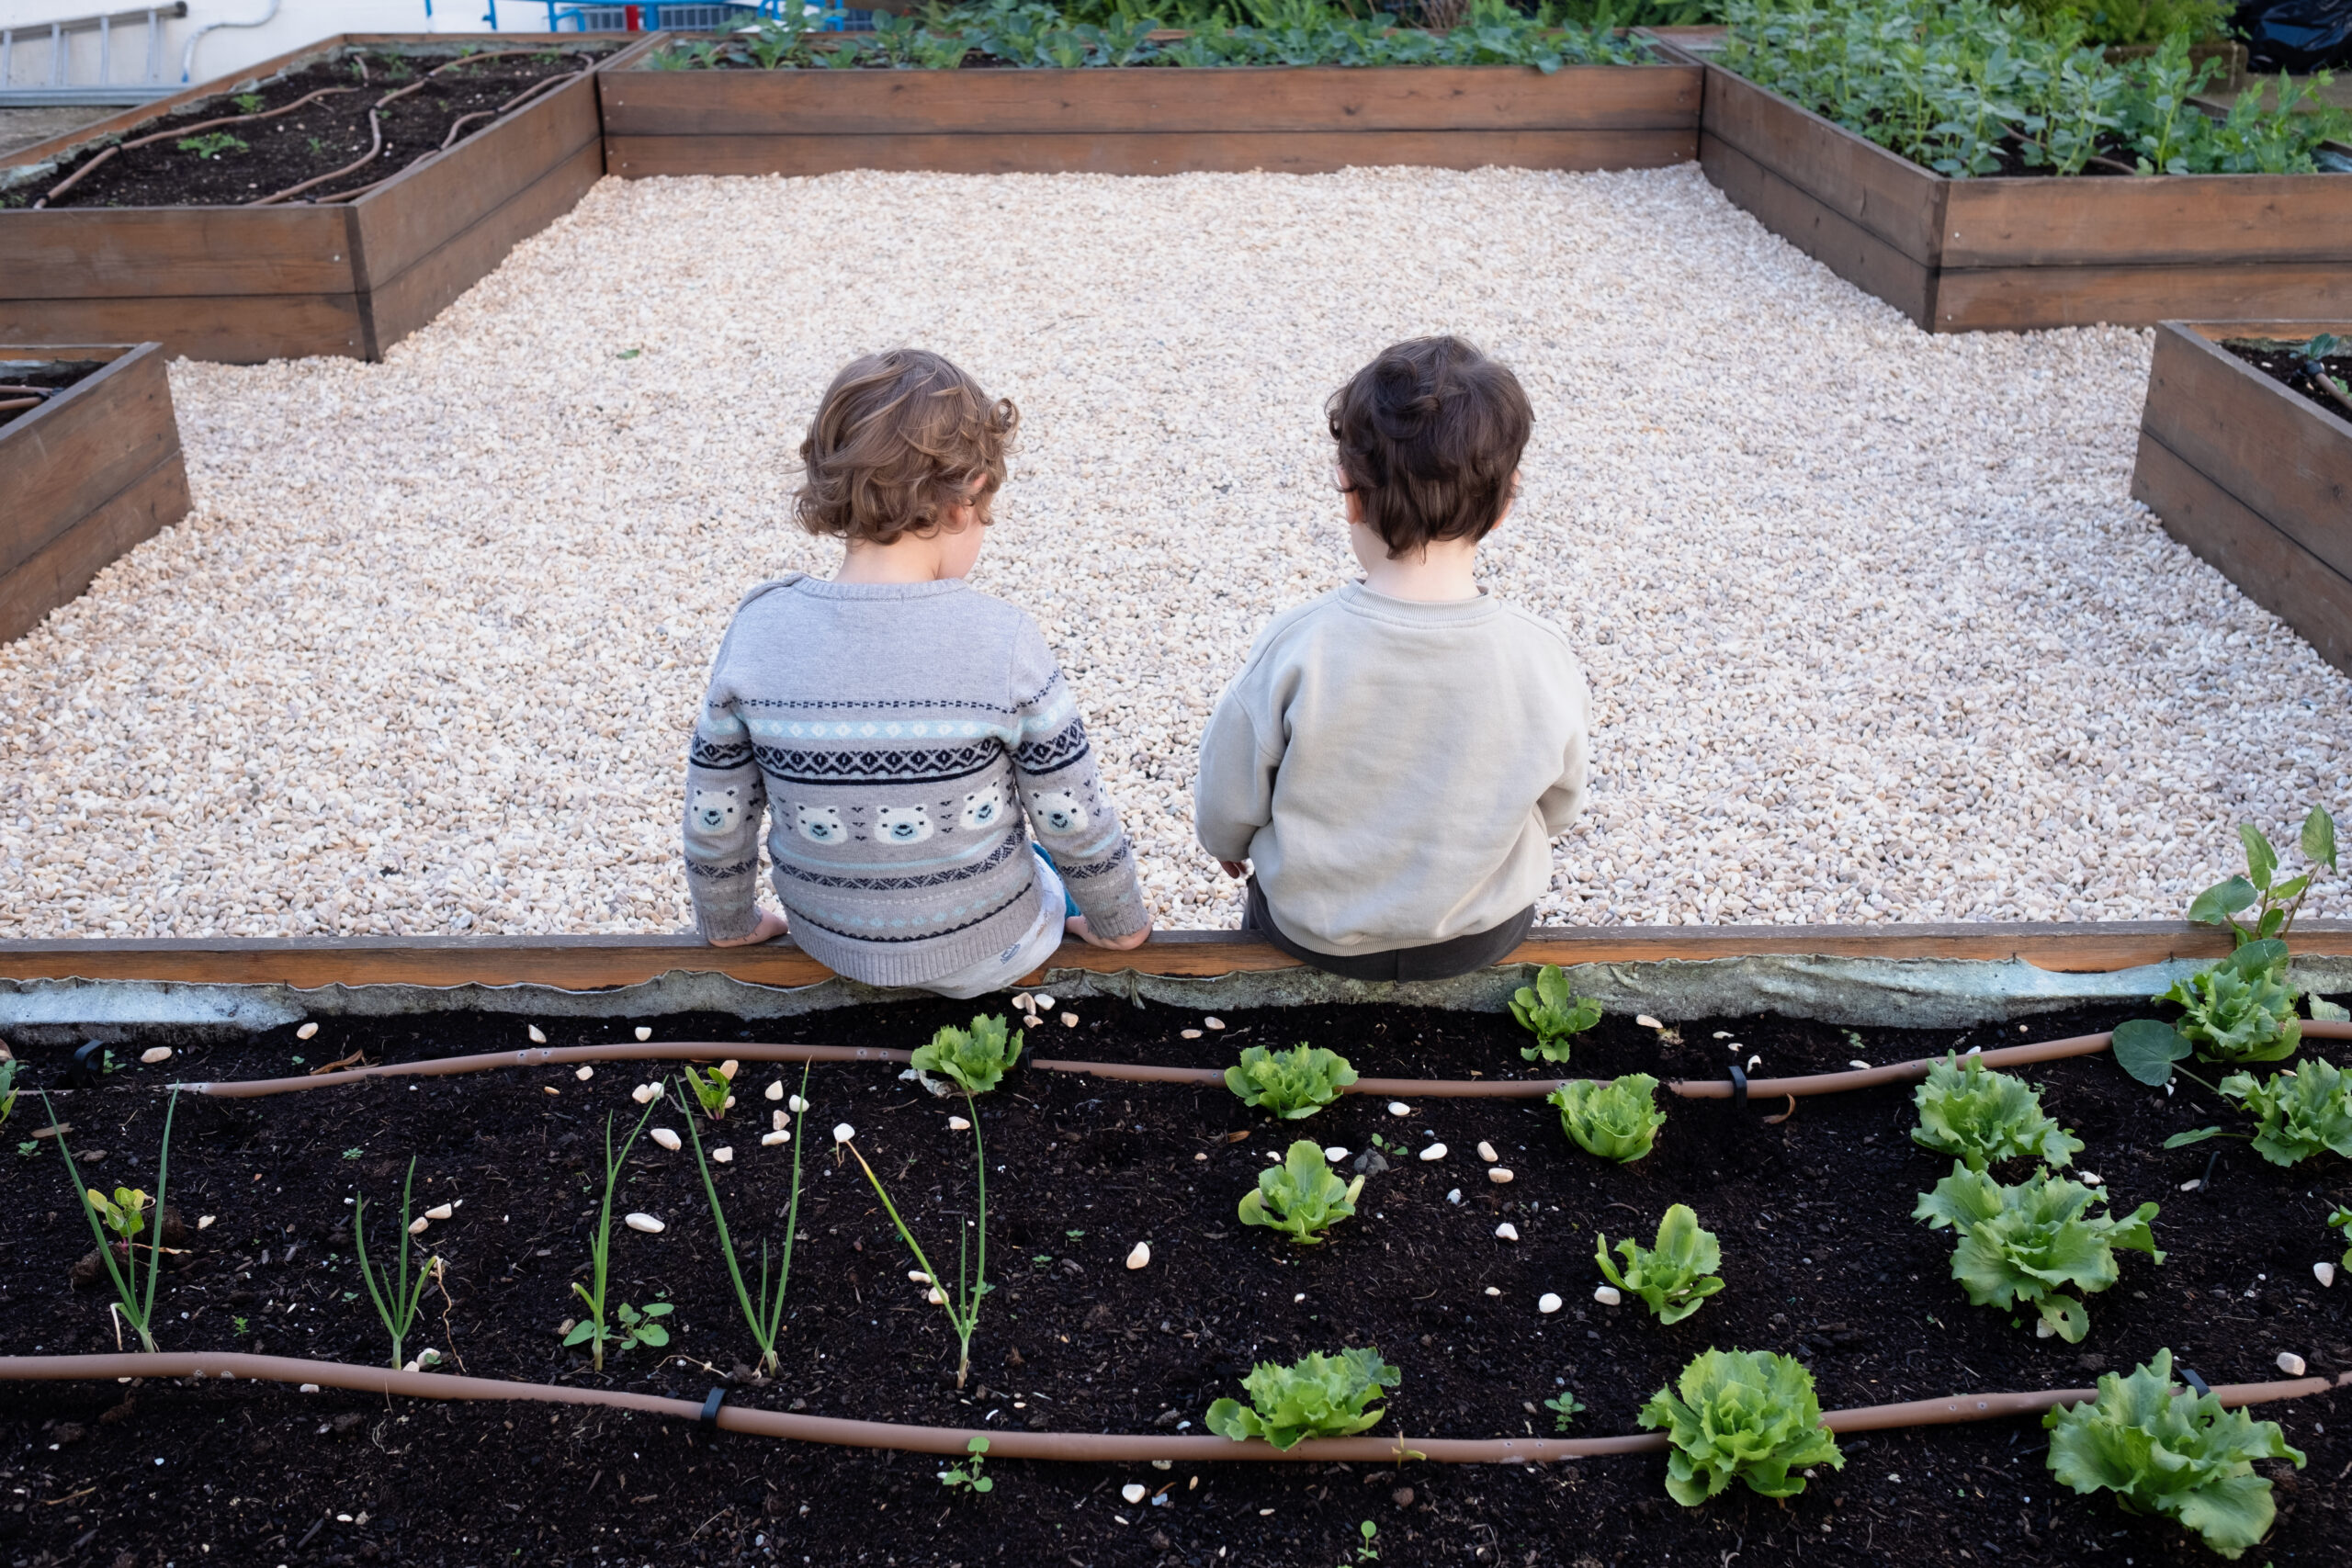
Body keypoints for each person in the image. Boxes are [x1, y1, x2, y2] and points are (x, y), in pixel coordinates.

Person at [682, 348, 1150, 997]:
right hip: (992, 949)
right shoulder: (1003, 638)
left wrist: (727, 924)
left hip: (830, 940)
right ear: (967, 501)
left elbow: (717, 813)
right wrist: (1120, 923)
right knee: (1045, 861)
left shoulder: (759, 629)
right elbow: (1072, 816)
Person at [1193, 335, 1589, 982]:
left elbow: (1229, 793)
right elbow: (1561, 805)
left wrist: (1227, 843)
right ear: (1506, 505)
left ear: (1350, 494)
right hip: (1478, 931)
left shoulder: (1300, 645)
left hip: (1314, 931)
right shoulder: (1541, 655)